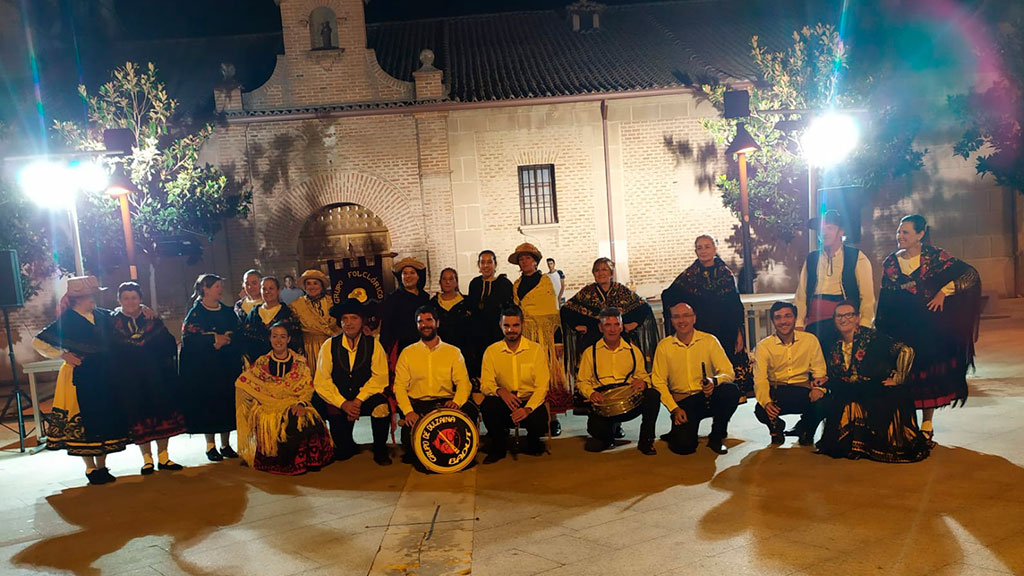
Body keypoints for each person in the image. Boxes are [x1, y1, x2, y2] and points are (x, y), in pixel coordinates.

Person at [874, 214, 982, 444]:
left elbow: (969, 274)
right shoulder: (891, 263)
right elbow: (885, 298)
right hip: (901, 327)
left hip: (929, 326)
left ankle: (927, 424)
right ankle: (907, 424)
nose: (899, 236)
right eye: (899, 232)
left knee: (926, 373)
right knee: (905, 372)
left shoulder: (936, 257)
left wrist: (944, 291)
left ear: (920, 235)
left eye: (905, 232)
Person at [33, 276, 128, 485]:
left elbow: (123, 318)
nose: (93, 299)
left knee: (104, 415)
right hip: (80, 374)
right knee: (83, 417)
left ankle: (102, 466)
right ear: (78, 299)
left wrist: (144, 309)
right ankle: (90, 467)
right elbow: (39, 341)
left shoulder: (103, 316)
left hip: (103, 373)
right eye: (89, 296)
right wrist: (63, 354)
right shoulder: (67, 321)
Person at [815, 301, 930, 463]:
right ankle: (855, 446)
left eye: (849, 315)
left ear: (857, 318)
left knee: (869, 402)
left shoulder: (873, 338)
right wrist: (826, 380)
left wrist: (899, 378)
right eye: (839, 316)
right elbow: (839, 375)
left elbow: (906, 351)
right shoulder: (834, 345)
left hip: (877, 387)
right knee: (843, 402)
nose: (843, 319)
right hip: (854, 389)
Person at [235, 323, 335, 474]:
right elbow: (244, 382)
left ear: (288, 339)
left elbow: (307, 387)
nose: (278, 340)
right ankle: (287, 463)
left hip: (295, 401)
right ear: (270, 338)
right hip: (269, 405)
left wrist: (301, 404)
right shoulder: (262, 362)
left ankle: (310, 460)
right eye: (274, 336)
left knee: (305, 420)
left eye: (282, 336)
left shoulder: (300, 362)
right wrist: (259, 401)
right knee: (284, 421)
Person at [661, 235, 752, 398]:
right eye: (699, 247)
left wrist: (739, 332)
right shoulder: (689, 276)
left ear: (715, 249)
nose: (703, 251)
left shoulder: (726, 274)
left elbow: (734, 305)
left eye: (707, 247)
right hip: (701, 330)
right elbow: (668, 295)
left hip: (726, 330)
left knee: (726, 372)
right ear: (695, 251)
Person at [110, 282, 186, 475]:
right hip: (131, 381)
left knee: (161, 415)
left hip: (156, 377)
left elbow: (168, 343)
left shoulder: (152, 320)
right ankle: (147, 459)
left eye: (134, 298)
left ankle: (163, 457)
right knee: (140, 416)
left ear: (140, 299)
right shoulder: (112, 323)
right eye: (126, 298)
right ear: (119, 300)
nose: (130, 302)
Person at [652, 299, 739, 455]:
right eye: (677, 317)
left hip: (707, 396)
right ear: (671, 321)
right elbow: (658, 382)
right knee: (684, 448)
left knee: (730, 391)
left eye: (686, 315)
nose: (682, 320)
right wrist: (674, 409)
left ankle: (717, 436)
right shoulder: (664, 346)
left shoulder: (710, 341)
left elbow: (729, 372)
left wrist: (714, 381)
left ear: (694, 318)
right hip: (683, 403)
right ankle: (676, 431)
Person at [313, 298, 392, 465]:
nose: (349, 323)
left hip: (364, 397)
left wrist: (357, 401)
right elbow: (322, 381)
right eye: (345, 319)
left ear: (362, 321)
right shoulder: (329, 345)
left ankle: (380, 449)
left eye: (354, 318)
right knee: (344, 452)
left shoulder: (374, 344)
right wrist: (343, 404)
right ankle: (340, 444)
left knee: (381, 407)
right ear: (340, 322)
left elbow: (380, 377)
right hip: (339, 398)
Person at [393, 305, 476, 464]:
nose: (425, 325)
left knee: (467, 419)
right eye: (420, 321)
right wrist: (408, 412)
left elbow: (464, 383)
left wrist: (456, 403)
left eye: (429, 320)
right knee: (411, 449)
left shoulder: (453, 352)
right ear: (416, 325)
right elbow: (400, 387)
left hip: (446, 403)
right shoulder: (407, 353)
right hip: (418, 405)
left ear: (437, 323)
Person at [561, 257, 658, 390]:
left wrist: (634, 323)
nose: (601, 273)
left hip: (620, 337)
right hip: (593, 338)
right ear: (593, 274)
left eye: (604, 269)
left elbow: (644, 307)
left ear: (611, 273)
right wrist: (576, 326)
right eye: (597, 270)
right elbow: (566, 309)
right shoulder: (587, 292)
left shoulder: (621, 290)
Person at [575, 308, 660, 455]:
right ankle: (610, 431)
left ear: (621, 326)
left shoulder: (633, 350)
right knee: (596, 444)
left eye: (616, 324)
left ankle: (646, 440)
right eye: (608, 325)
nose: (612, 329)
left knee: (652, 395)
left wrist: (644, 383)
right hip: (603, 402)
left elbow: (643, 376)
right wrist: (591, 393)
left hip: (629, 400)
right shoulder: (590, 352)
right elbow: (582, 381)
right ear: (601, 328)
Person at [180, 274, 243, 462]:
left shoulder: (226, 311)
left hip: (226, 367)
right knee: (210, 404)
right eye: (216, 286)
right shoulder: (196, 313)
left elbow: (238, 331)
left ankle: (225, 444)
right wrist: (212, 340)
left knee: (226, 403)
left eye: (219, 286)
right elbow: (188, 339)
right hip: (205, 370)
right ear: (205, 289)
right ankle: (211, 445)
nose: (219, 289)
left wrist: (226, 340)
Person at [793, 210, 874, 355]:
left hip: (844, 321)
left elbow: (867, 297)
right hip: (815, 322)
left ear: (840, 231)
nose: (825, 232)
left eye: (830, 228)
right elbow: (802, 294)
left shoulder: (856, 257)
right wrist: (799, 323)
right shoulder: (812, 258)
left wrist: (864, 326)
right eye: (821, 229)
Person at [479, 305, 550, 463]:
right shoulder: (492, 351)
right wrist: (500, 392)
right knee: (488, 406)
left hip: (528, 400)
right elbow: (485, 383)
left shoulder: (535, 350)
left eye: (515, 325)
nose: (511, 330)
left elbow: (542, 386)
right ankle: (498, 447)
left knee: (539, 422)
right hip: (504, 400)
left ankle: (533, 440)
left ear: (523, 324)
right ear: (500, 325)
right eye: (507, 325)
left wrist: (527, 408)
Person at [510, 243, 568, 433]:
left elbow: (553, 314)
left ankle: (553, 418)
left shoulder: (545, 282)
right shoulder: (516, 284)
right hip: (524, 336)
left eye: (528, 258)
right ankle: (534, 415)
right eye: (521, 259)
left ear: (535, 261)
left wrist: (558, 341)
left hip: (545, 338)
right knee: (528, 376)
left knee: (548, 376)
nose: (524, 261)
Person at [752, 301, 827, 446]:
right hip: (778, 391)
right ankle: (776, 427)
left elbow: (819, 370)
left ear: (795, 318)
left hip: (803, 389)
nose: (783, 321)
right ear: (773, 321)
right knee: (760, 409)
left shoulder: (810, 340)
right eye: (778, 317)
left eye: (787, 316)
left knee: (824, 401)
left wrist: (818, 389)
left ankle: (806, 428)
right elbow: (760, 379)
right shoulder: (763, 346)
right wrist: (766, 402)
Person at [465, 250, 514, 379]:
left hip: (498, 334)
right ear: (478, 265)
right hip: (478, 335)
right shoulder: (474, 284)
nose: (486, 266)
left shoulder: (504, 284)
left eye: (489, 262)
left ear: (495, 264)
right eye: (482, 262)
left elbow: (509, 309)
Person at [239, 276, 302, 364]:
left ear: (279, 290)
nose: (267, 292)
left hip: (284, 363)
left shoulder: (287, 313)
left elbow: (296, 341)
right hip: (257, 365)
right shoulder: (254, 313)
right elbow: (245, 338)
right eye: (264, 289)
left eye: (271, 288)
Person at [290, 269, 341, 376]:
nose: (312, 287)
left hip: (335, 345)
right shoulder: (297, 305)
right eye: (308, 284)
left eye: (315, 283)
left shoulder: (333, 301)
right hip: (311, 348)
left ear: (321, 285)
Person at [380, 257, 429, 364]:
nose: (408, 276)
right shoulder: (393, 299)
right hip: (402, 348)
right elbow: (386, 327)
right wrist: (384, 350)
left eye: (412, 273)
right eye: (405, 273)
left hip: (424, 346)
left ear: (418, 276)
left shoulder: (425, 298)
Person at [430, 267, 473, 358]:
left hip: (464, 352)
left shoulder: (467, 303)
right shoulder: (433, 304)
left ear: (456, 282)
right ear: (440, 282)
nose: (447, 282)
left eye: (451, 279)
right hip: (439, 352)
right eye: (444, 279)